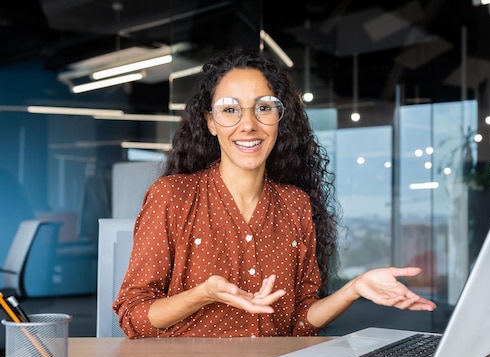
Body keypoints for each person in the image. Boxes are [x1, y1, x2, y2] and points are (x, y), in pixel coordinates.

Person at [112, 47, 436, 338]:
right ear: (210, 122)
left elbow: (299, 323)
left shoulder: (295, 204)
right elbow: (133, 317)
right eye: (229, 110)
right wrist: (203, 294)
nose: (248, 124)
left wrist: (353, 289)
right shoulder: (172, 196)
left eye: (263, 108)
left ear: (280, 119)